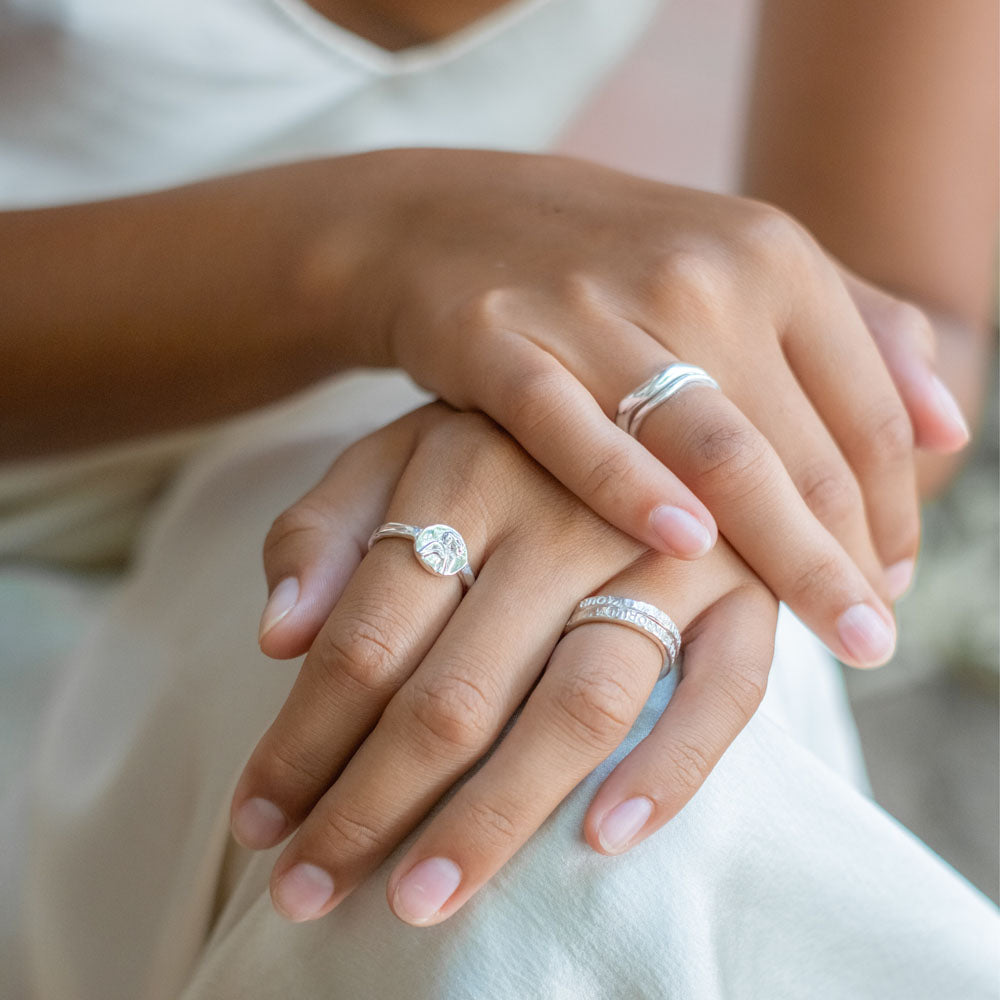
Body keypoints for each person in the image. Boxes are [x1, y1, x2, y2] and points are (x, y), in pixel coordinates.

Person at [0, 0, 996, 996]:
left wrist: (673, 454)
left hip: (335, 437)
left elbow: (908, 310)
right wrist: (371, 242)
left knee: (593, 748)